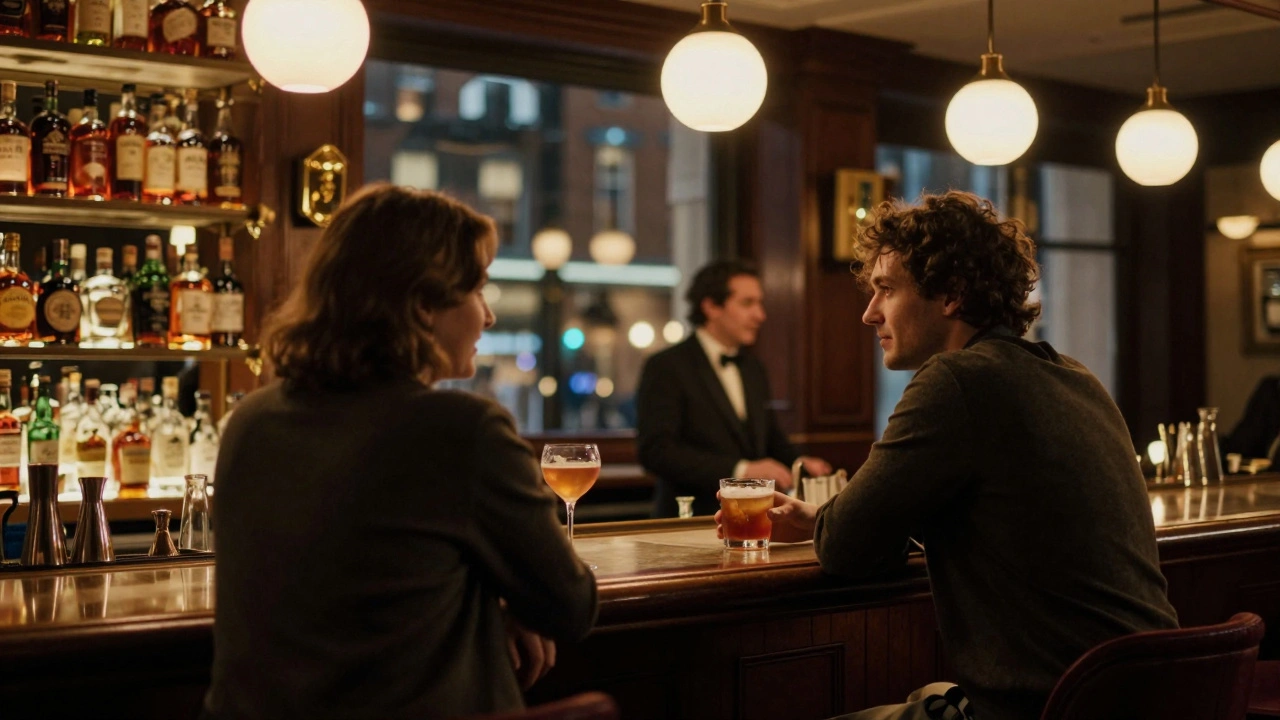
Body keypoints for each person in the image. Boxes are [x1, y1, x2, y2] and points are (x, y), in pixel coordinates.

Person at [718, 191, 1178, 720]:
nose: (869, 314)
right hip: (1151, 693)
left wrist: (833, 524)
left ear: (952, 294)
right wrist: (823, 517)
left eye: (886, 290)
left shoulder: (957, 379)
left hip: (1050, 706)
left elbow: (846, 547)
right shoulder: (1074, 375)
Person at [202, 184, 597, 720]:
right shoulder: (463, 429)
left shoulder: (251, 419)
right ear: (422, 306)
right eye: (477, 290)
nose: (488, 316)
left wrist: (481, 602)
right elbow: (570, 606)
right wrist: (507, 602)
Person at [637, 260, 831, 517]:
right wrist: (740, 470)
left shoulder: (753, 368)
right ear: (711, 307)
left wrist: (798, 462)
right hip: (688, 519)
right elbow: (656, 452)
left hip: (752, 517)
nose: (760, 315)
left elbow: (769, 437)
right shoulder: (666, 366)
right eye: (747, 303)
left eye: (759, 303)